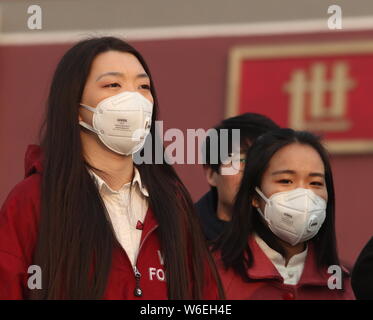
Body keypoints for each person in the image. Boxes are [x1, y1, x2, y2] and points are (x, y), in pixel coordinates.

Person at [0, 37, 223, 300]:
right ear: (74, 107)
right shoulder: (32, 201)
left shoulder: (172, 201)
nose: (133, 99)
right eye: (113, 85)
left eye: (143, 86)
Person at [213, 128, 355, 300]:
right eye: (286, 181)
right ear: (254, 195)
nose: (304, 194)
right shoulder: (210, 272)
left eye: (316, 183)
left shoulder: (339, 283)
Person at [195, 113, 279, 242]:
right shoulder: (179, 238)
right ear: (211, 174)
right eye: (243, 160)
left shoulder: (297, 242)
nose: (253, 171)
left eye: (264, 161)